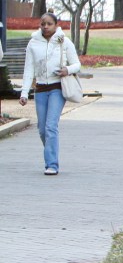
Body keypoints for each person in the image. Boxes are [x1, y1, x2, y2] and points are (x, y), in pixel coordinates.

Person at [19, 12, 81, 176]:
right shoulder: (33, 43)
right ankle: (51, 152)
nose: (45, 27)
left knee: (50, 126)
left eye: (49, 24)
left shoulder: (64, 42)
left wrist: (67, 69)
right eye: (43, 24)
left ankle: (51, 164)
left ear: (56, 25)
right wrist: (24, 92)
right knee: (42, 129)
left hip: (57, 88)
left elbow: (77, 64)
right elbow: (29, 69)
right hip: (40, 89)